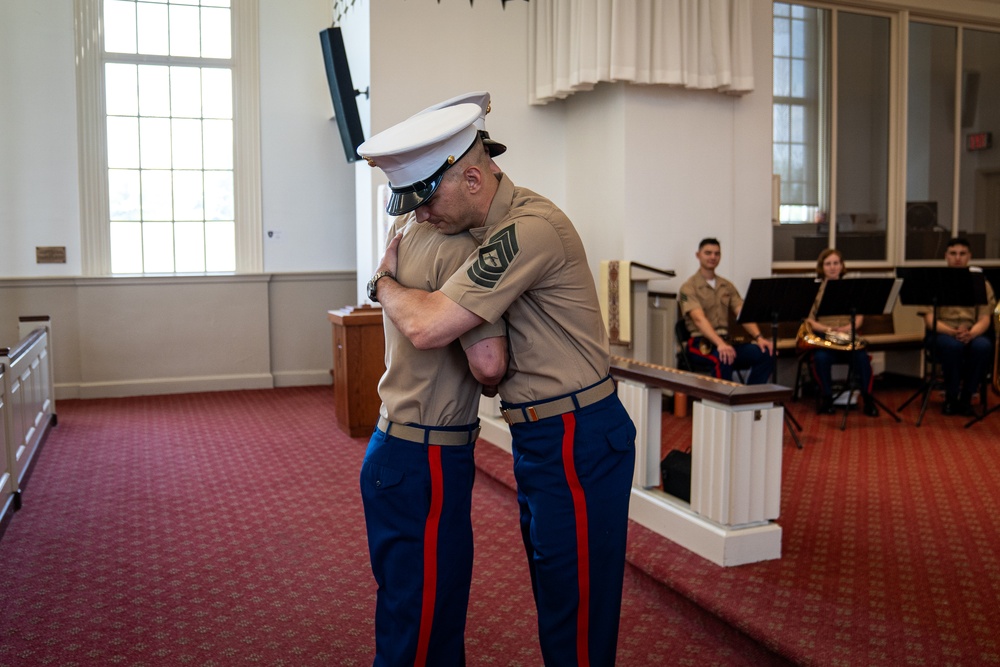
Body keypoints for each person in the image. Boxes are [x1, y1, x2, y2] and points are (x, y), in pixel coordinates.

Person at [358, 99, 636, 666]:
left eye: (429, 197)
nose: (423, 215)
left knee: (577, 608)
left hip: (576, 434)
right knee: (558, 595)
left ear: (474, 176)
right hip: (541, 437)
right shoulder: (473, 230)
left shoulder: (526, 229)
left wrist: (382, 282)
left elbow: (433, 325)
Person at [359, 93, 509, 666]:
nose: (421, 208)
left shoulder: (405, 235)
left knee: (408, 609)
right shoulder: (462, 248)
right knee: (426, 620)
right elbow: (489, 365)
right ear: (474, 171)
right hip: (427, 459)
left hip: (391, 448)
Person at [678, 238, 774, 384]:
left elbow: (743, 313)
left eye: (717, 253)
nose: (713, 257)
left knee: (766, 354)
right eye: (708, 253)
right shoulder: (687, 288)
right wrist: (719, 344)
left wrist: (759, 337)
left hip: (726, 340)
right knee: (722, 357)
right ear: (698, 255)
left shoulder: (727, 285)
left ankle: (749, 399)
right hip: (700, 342)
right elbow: (699, 319)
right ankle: (724, 405)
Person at [923, 237, 995, 416]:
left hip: (972, 332)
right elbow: (929, 319)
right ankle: (951, 396)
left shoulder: (981, 284)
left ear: (969, 256)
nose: (957, 258)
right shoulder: (934, 282)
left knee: (983, 346)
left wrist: (971, 334)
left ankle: (967, 397)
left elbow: (985, 318)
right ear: (946, 256)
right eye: (953, 254)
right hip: (942, 333)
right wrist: (952, 332)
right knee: (952, 346)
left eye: (962, 254)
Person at [802, 248, 878, 417]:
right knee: (821, 359)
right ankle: (827, 398)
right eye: (828, 264)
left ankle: (868, 399)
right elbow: (809, 320)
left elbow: (859, 317)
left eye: (836, 263)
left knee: (862, 358)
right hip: (825, 338)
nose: (832, 267)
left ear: (842, 265)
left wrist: (846, 328)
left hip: (846, 337)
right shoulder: (815, 290)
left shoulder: (851, 289)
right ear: (822, 267)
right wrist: (827, 329)